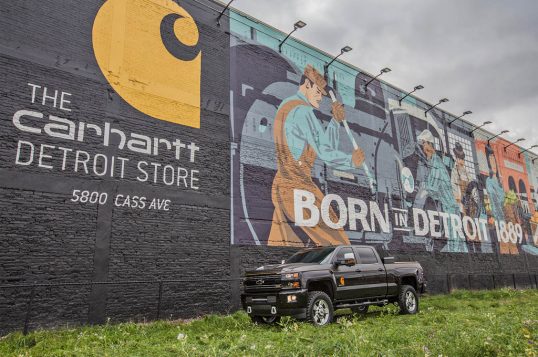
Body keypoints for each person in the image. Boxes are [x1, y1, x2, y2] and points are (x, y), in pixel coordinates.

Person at [268, 65, 365, 247]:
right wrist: (351, 160)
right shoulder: (303, 111)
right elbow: (326, 153)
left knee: (284, 244)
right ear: (306, 84)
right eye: (318, 92)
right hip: (298, 188)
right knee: (340, 244)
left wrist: (335, 122)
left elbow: (321, 147)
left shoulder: (287, 106)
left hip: (282, 185)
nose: (321, 97)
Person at [417, 129, 467, 252]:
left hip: (450, 209)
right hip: (447, 208)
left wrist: (421, 188)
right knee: (456, 239)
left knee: (455, 240)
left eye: (424, 144)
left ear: (429, 144)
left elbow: (432, 187)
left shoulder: (437, 163)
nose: (423, 148)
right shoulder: (433, 161)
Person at [451, 142, 471, 214]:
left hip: (468, 199)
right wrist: (457, 197)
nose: (461, 161)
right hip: (459, 199)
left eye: (462, 159)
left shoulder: (466, 173)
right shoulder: (454, 171)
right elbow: (453, 184)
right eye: (459, 159)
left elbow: (471, 184)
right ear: (456, 159)